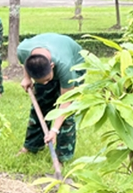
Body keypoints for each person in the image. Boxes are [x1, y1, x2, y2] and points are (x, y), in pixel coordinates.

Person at [17, 33, 84, 162]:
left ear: (52, 66)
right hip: (51, 55)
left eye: (47, 79)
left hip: (76, 63)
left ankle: (62, 157)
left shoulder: (65, 66)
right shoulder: (22, 50)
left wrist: (54, 130)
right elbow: (26, 61)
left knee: (67, 116)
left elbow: (67, 102)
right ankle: (32, 146)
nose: (45, 83)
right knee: (40, 104)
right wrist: (27, 78)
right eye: (41, 81)